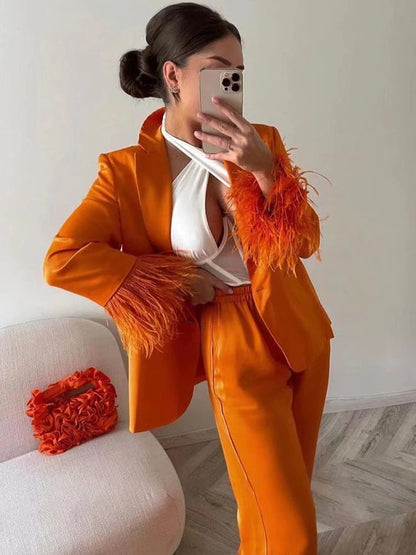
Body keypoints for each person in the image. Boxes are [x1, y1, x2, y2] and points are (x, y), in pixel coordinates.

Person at [43, 3, 334, 553]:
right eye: (219, 69)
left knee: (282, 502)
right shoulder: (126, 171)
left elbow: (304, 242)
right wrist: (174, 281)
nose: (232, 84)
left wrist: (263, 169)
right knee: (289, 528)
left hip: (301, 328)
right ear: (173, 75)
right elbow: (63, 258)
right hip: (233, 343)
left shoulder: (260, 141)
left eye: (238, 72)